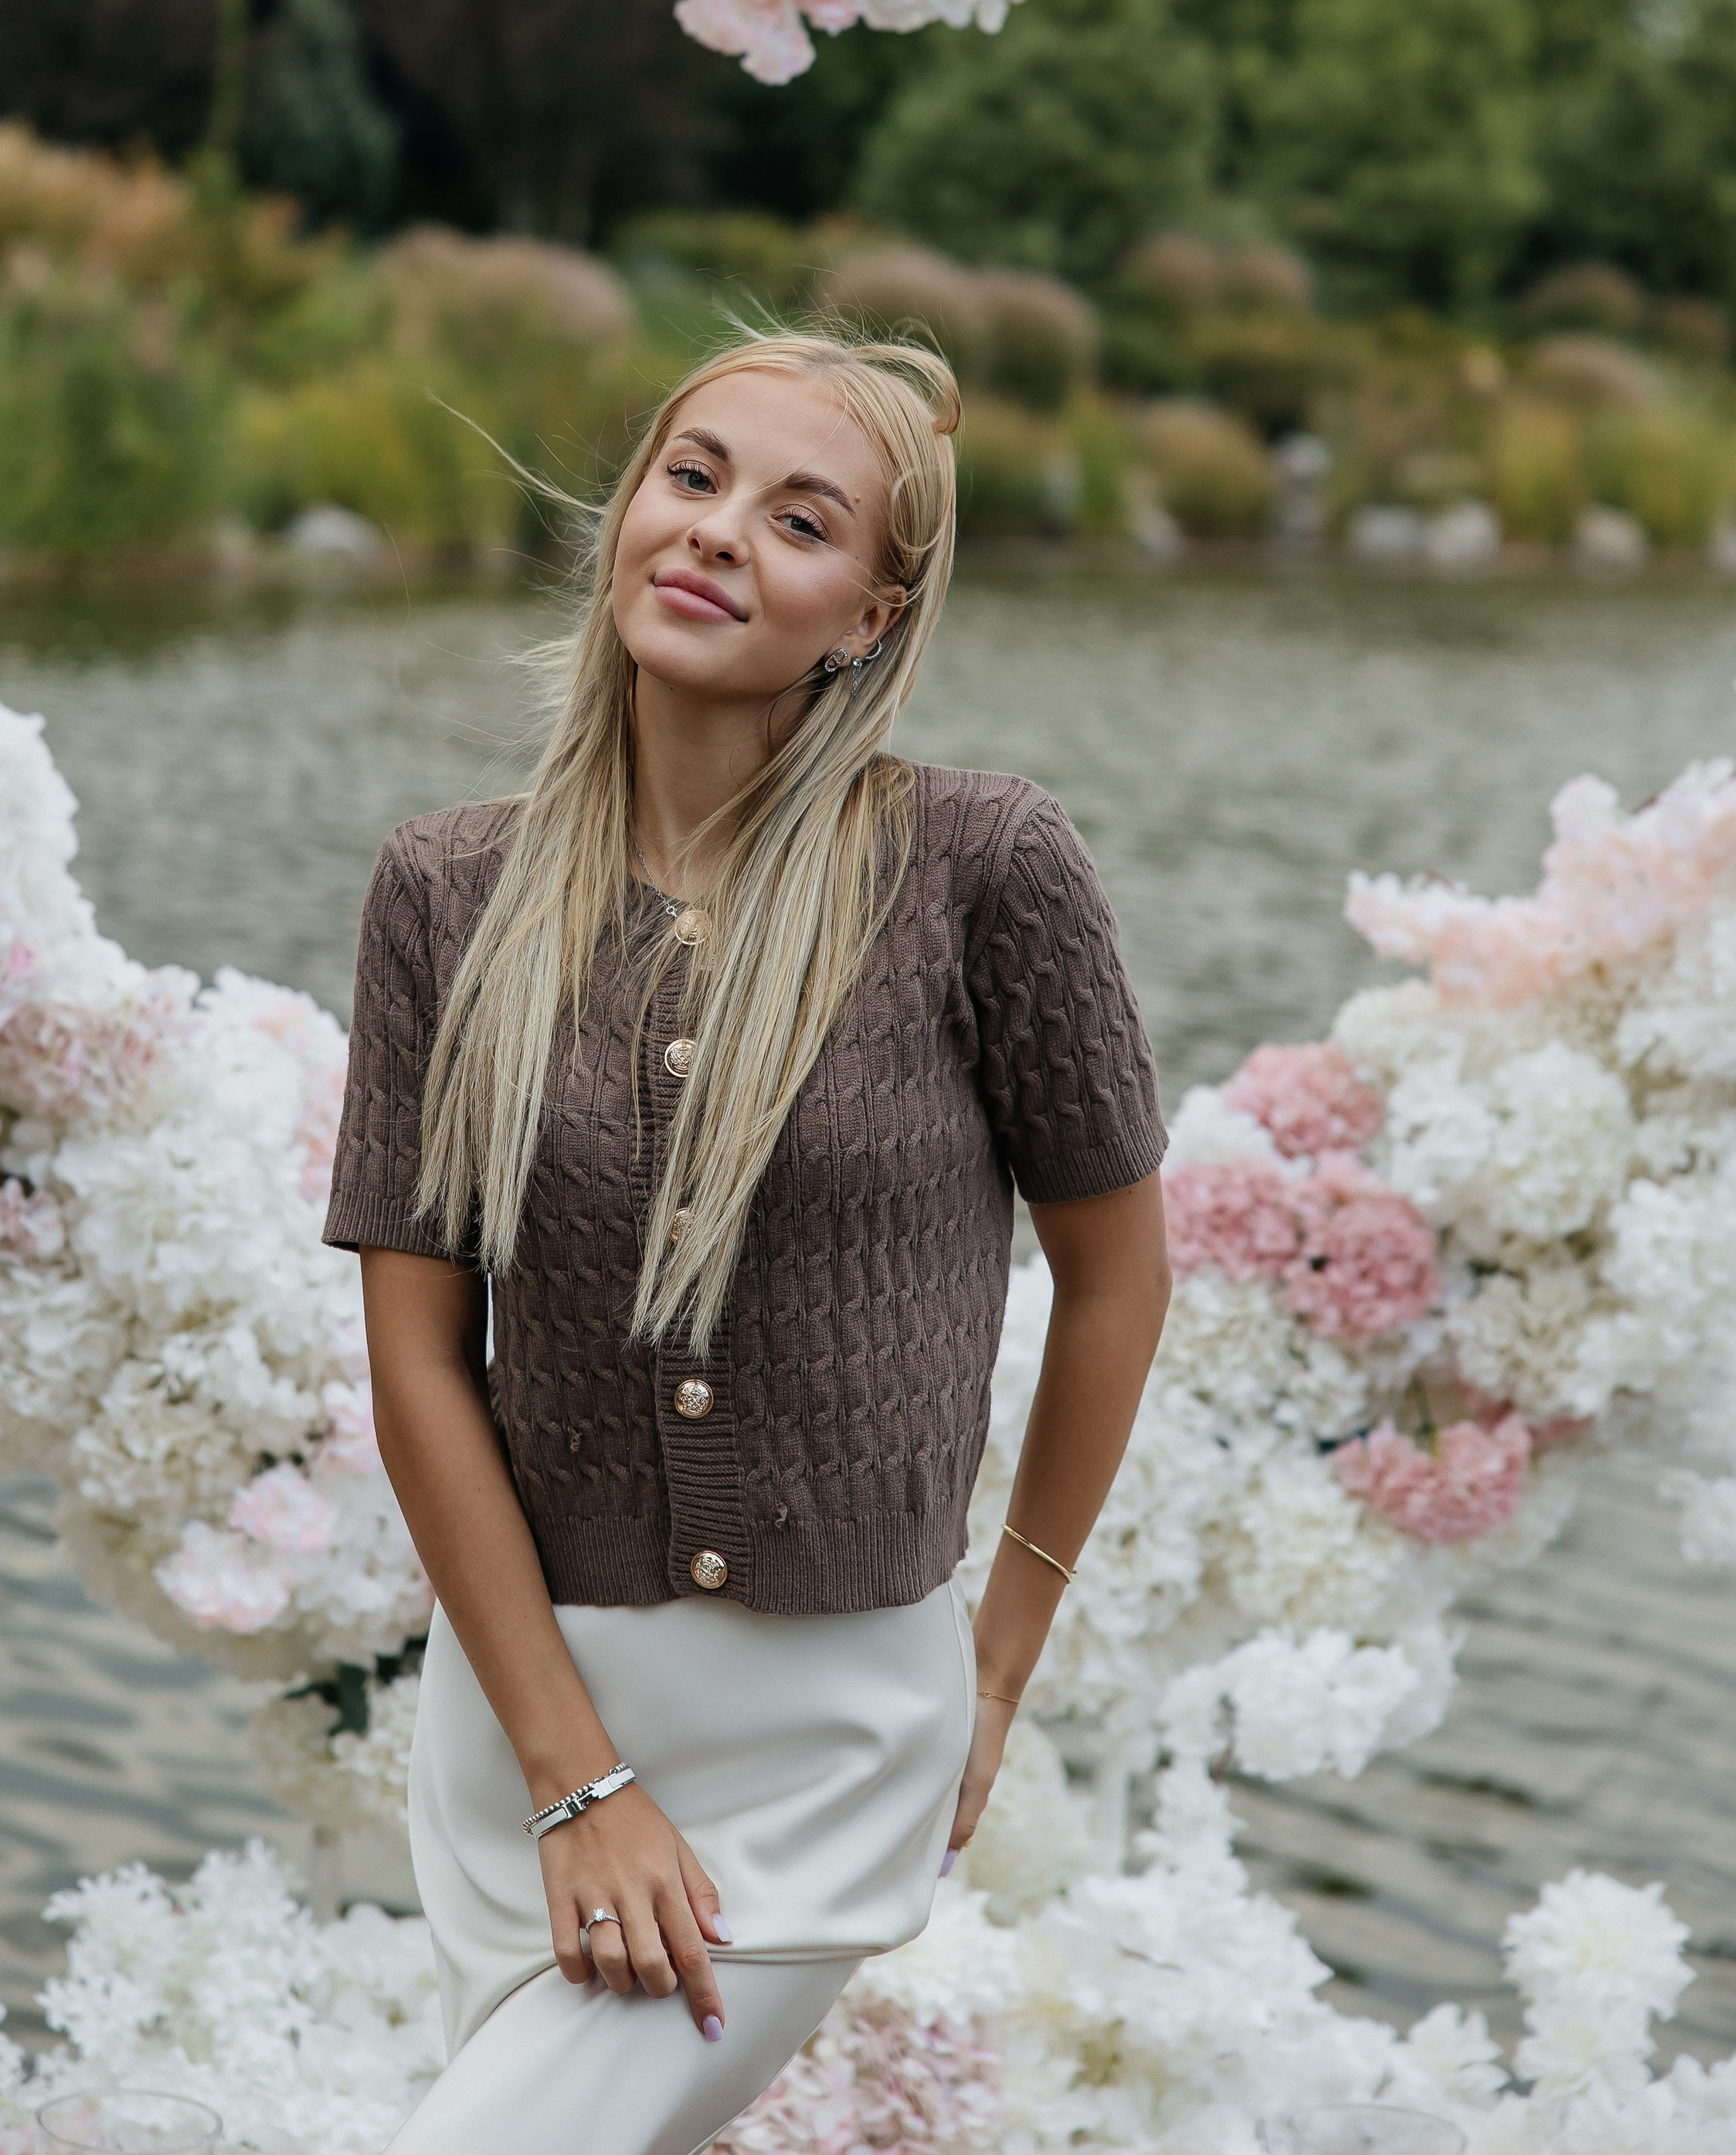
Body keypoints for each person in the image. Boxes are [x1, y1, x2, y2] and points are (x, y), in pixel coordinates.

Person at [323, 331, 1173, 2155]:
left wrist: (999, 1663)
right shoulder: (442, 893)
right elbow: (416, 1365)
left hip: (829, 1733)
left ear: (869, 612)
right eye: (691, 477)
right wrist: (572, 1780)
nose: (714, 535)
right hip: (523, 1732)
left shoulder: (983, 873)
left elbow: (1115, 1276)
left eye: (799, 520)